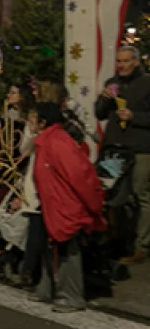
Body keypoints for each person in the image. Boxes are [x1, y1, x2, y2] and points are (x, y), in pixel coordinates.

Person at [30, 102, 106, 312]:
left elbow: (80, 175)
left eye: (33, 119)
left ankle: (71, 295)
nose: (29, 123)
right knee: (52, 247)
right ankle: (49, 289)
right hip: (54, 204)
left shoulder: (57, 142)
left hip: (65, 205)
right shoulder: (48, 141)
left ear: (43, 122)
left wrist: (94, 204)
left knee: (66, 249)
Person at [95, 45, 150, 264]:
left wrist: (134, 116)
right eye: (119, 61)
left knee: (140, 196)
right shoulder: (113, 83)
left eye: (126, 61)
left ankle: (141, 247)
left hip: (140, 149)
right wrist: (104, 99)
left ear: (136, 61)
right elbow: (100, 114)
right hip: (114, 149)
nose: (122, 65)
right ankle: (115, 241)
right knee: (111, 195)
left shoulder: (147, 83)